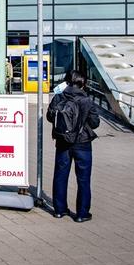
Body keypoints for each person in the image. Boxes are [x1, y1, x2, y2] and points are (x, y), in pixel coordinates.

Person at [46, 70, 100, 222]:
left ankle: (59, 210)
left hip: (63, 142)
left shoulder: (59, 97)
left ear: (67, 81)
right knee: (83, 179)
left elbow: (50, 117)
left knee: (60, 176)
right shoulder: (87, 100)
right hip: (82, 144)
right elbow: (95, 123)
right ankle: (82, 214)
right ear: (83, 83)